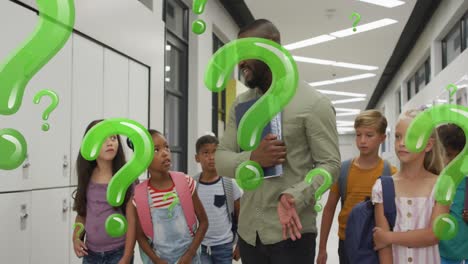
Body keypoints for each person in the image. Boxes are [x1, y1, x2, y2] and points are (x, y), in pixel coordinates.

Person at [215, 19, 340, 263]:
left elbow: (330, 165)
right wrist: (252, 158)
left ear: (271, 48)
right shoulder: (241, 104)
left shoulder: (313, 103)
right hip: (250, 233)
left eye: (246, 52)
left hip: (291, 232)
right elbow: (221, 159)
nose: (240, 62)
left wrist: (296, 195)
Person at [317, 110, 397, 264]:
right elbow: (329, 209)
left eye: (369, 135)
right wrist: (322, 248)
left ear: (382, 138)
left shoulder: (391, 174)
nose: (362, 141)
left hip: (377, 243)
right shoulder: (343, 170)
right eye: (358, 135)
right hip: (347, 241)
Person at [372, 109, 449, 264]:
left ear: (428, 145)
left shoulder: (442, 185)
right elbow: (384, 248)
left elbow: (433, 235)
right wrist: (384, 239)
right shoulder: (382, 187)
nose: (402, 143)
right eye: (398, 137)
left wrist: (388, 237)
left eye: (411, 137)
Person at [131, 129, 208, 264]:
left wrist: (190, 254)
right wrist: (155, 259)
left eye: (166, 147)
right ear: (143, 159)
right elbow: (140, 236)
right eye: (156, 150)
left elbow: (204, 222)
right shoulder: (139, 196)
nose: (165, 153)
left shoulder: (185, 182)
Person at [72, 119, 136, 264]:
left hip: (118, 252)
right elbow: (82, 215)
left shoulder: (126, 177)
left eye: (113, 137)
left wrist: (127, 256)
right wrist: (76, 238)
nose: (110, 143)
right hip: (90, 253)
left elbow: (133, 222)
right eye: (103, 139)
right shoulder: (87, 177)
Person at [193, 134, 242, 263]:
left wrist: (240, 244)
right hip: (200, 246)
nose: (211, 157)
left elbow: (241, 215)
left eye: (215, 152)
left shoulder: (229, 184)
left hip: (224, 246)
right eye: (206, 153)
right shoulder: (192, 185)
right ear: (197, 158)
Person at [437, 124, 468, 264]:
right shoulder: (431, 182)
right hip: (437, 255)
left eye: (457, 156)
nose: (450, 161)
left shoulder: (465, 180)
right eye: (446, 154)